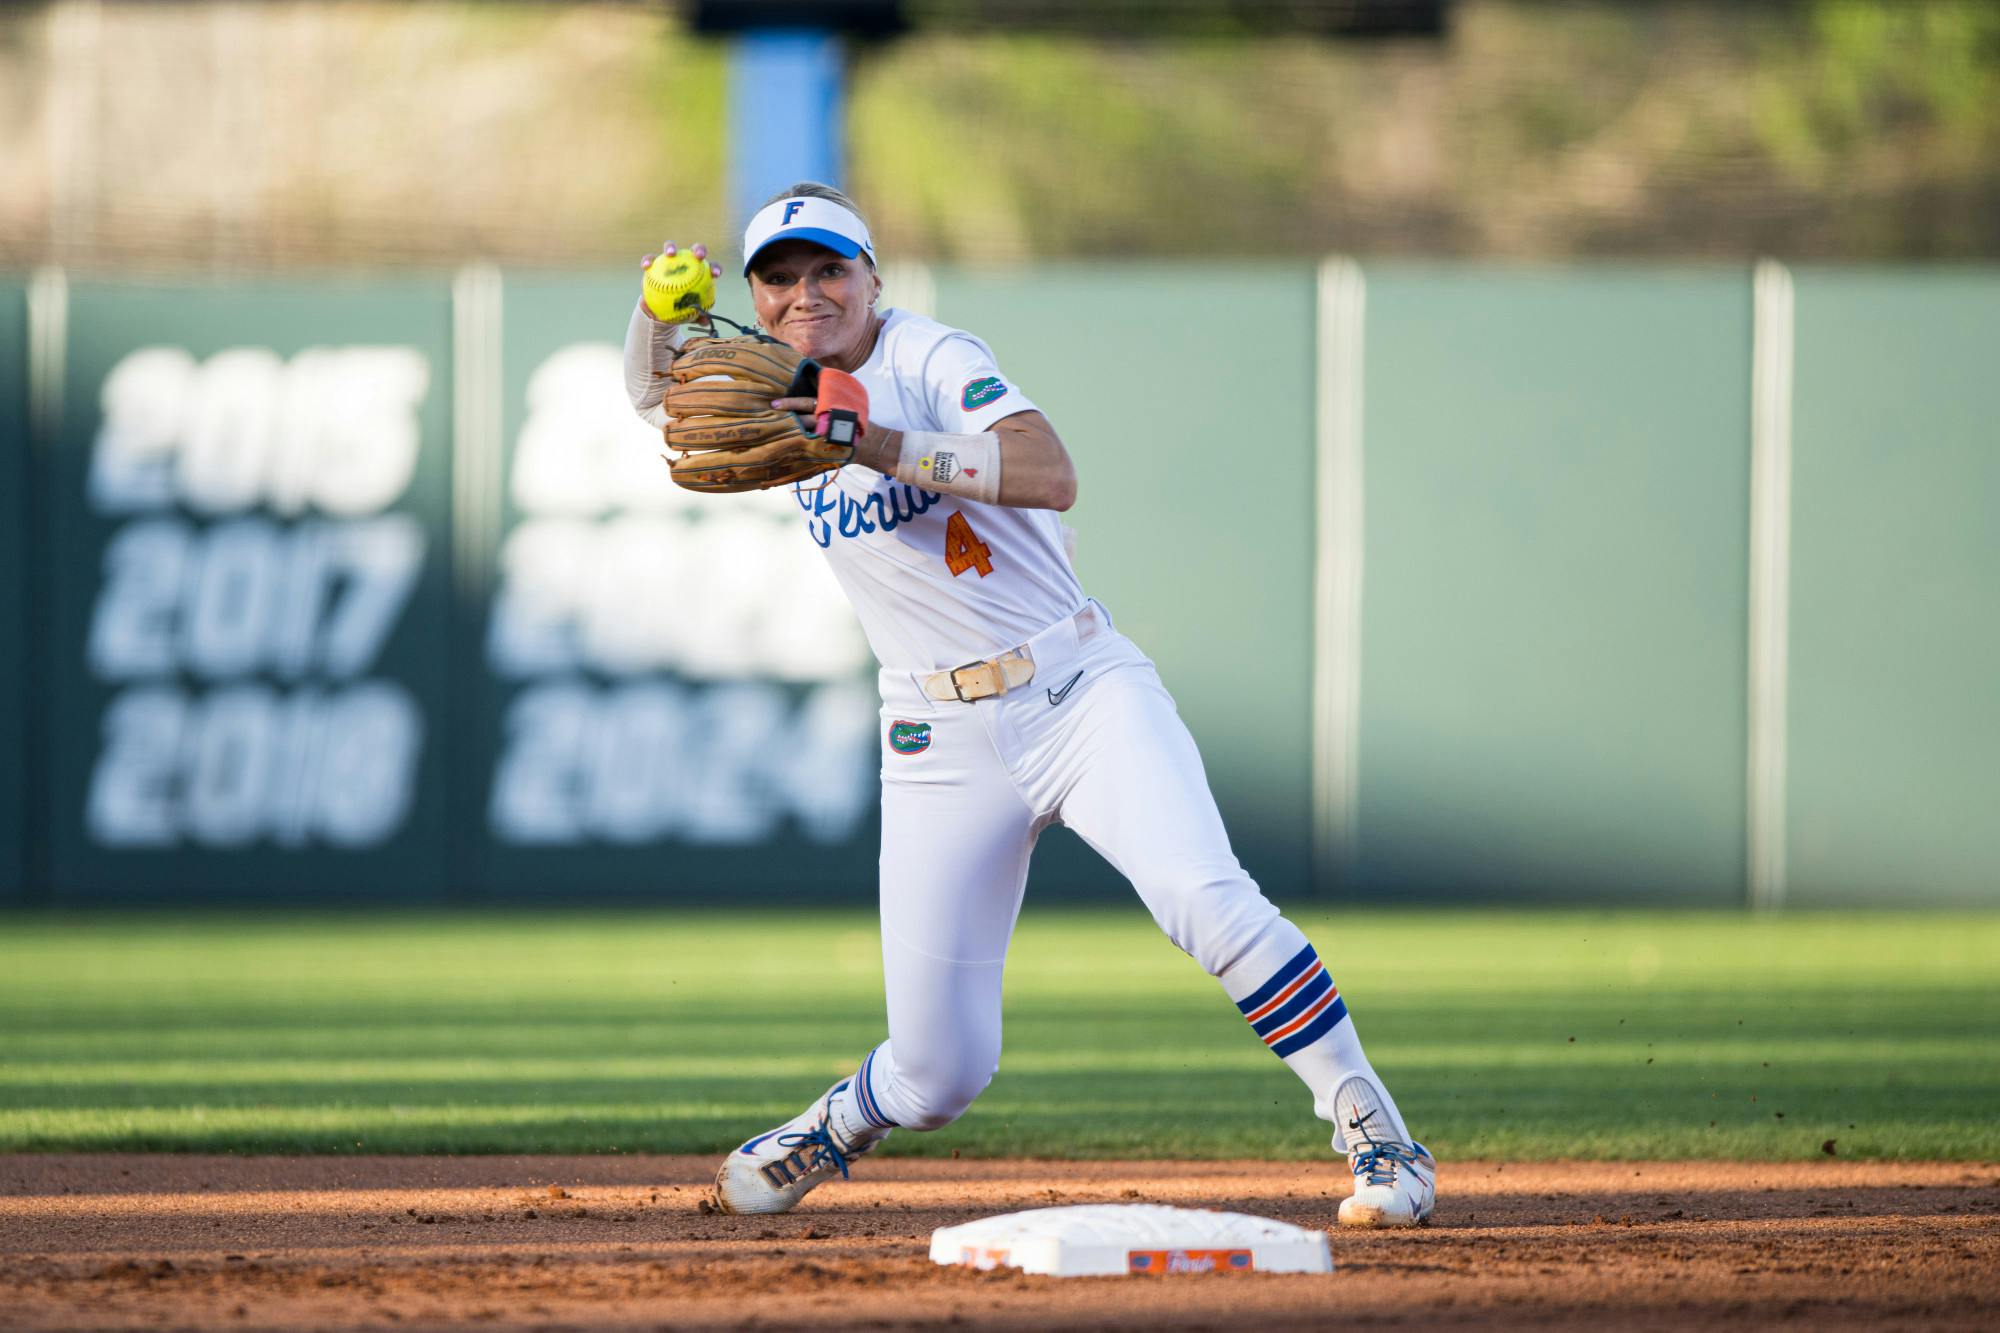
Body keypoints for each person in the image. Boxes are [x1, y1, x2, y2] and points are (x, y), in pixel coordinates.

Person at [622, 183, 1436, 1227]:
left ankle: (1376, 1136)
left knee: (1204, 897)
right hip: (931, 735)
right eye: (777, 278)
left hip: (1076, 690)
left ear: (872, 275)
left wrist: (872, 441)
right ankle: (832, 1125)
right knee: (935, 1075)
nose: (804, 293)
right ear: (756, 296)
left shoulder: (929, 358)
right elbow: (660, 399)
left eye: (829, 268)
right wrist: (655, 309)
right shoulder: (781, 383)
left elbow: (1051, 473)